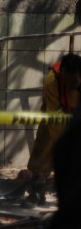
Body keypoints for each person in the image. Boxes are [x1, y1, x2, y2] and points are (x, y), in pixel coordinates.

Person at [23, 53, 81, 207]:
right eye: (72, 80)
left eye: (78, 78)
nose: (76, 83)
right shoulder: (52, 81)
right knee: (42, 153)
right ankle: (36, 193)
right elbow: (55, 118)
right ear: (63, 74)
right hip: (55, 119)